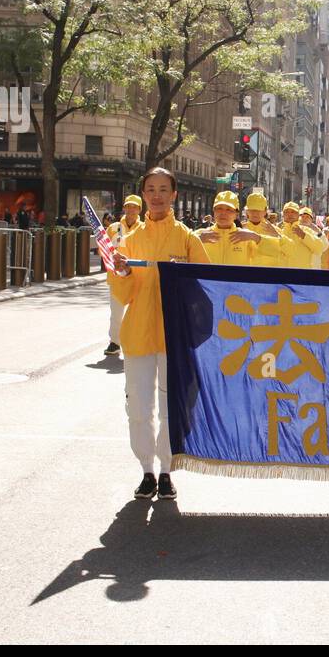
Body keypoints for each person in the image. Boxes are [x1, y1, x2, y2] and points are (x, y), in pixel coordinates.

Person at [110, 168, 208, 502]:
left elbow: (202, 288)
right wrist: (121, 271)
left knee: (171, 407)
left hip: (174, 337)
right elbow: (122, 293)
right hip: (137, 335)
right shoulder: (131, 239)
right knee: (138, 406)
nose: (156, 195)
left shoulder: (187, 239)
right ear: (143, 194)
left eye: (163, 189)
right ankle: (146, 471)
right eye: (150, 189)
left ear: (174, 195)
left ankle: (166, 471)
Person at [103, 196, 143, 357]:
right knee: (116, 311)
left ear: (139, 209)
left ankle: (138, 341)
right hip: (117, 276)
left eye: (134, 207)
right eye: (128, 206)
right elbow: (104, 249)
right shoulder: (113, 228)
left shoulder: (145, 228)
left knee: (139, 311)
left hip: (139, 276)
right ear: (124, 208)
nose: (131, 210)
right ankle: (115, 342)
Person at [196, 191, 283, 265]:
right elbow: (183, 252)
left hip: (237, 285)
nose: (223, 213)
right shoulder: (200, 235)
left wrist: (256, 238)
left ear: (236, 214)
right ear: (213, 211)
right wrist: (197, 240)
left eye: (229, 210)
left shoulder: (245, 236)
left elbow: (278, 252)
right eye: (219, 208)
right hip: (208, 285)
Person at [278, 201, 328, 270]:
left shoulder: (307, 231)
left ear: (298, 215)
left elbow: (319, 248)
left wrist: (304, 236)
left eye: (293, 212)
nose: (290, 214)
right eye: (286, 212)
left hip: (302, 275)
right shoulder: (278, 232)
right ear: (283, 215)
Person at [241, 193, 282, 267]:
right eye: (252, 210)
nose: (255, 213)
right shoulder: (240, 229)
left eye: (259, 210)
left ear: (265, 211)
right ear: (247, 211)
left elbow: (285, 251)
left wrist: (277, 235)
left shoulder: (275, 231)